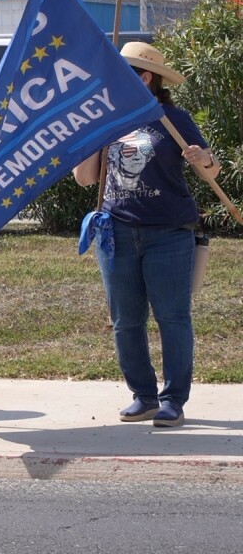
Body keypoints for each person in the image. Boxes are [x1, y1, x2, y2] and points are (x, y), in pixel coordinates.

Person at [72, 41, 219, 428]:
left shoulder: (172, 118)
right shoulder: (107, 117)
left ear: (146, 78)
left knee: (172, 317)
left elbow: (211, 169)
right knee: (126, 321)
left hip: (169, 233)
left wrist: (202, 158)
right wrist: (96, 137)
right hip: (116, 233)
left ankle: (173, 400)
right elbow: (85, 179)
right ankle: (144, 396)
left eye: (126, 74)